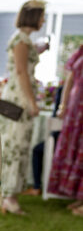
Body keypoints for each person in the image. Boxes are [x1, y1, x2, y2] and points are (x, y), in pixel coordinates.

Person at [0, 0, 48, 214]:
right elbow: (21, 72)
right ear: (33, 17)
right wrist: (31, 101)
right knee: (15, 146)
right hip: (18, 99)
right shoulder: (21, 40)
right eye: (41, 16)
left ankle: (8, 195)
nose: (43, 20)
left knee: (16, 145)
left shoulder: (23, 40)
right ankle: (8, 196)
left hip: (15, 96)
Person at [48, 42, 83, 214]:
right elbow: (69, 79)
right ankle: (78, 197)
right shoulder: (80, 51)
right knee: (74, 150)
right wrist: (63, 105)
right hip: (75, 109)